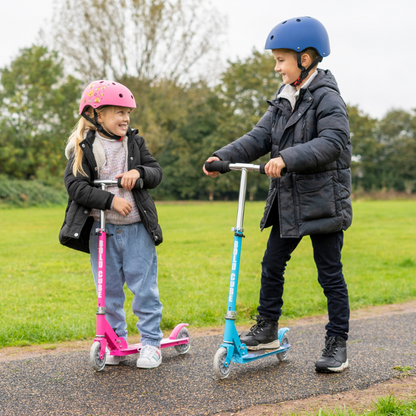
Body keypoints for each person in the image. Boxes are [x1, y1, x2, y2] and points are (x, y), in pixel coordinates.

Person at [203, 16, 352, 373]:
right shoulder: (283, 100)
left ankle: (337, 343)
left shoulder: (327, 98)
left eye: (280, 60)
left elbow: (332, 142)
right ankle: (267, 328)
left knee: (329, 273)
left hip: (324, 202)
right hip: (289, 202)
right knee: (271, 266)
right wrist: (223, 155)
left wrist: (287, 158)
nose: (276, 68)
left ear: (306, 58)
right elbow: (258, 138)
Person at [59, 80, 164, 369]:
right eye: (118, 112)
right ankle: (116, 341)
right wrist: (110, 200)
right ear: (96, 115)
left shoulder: (134, 142)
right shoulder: (84, 148)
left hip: (136, 229)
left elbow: (156, 172)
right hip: (101, 231)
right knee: (109, 292)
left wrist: (138, 172)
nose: (125, 118)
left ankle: (151, 343)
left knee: (144, 288)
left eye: (127, 112)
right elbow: (75, 187)